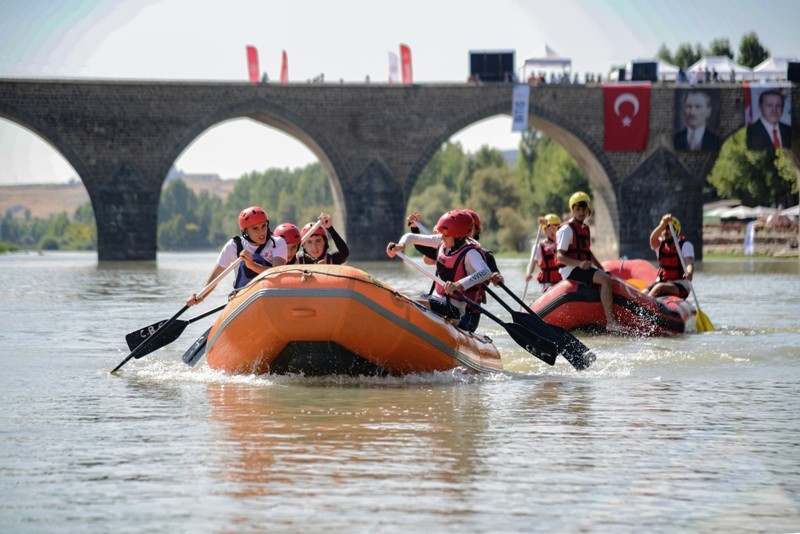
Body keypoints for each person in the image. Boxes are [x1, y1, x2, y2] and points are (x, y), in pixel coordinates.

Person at [386, 210, 491, 322]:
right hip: (434, 298)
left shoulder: (471, 253)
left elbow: (486, 272)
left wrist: (458, 285)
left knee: (412, 303)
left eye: (445, 235)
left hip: (454, 308)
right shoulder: (443, 240)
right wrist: (401, 246)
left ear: (458, 236)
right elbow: (411, 237)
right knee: (403, 300)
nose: (441, 238)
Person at [187, 206, 287, 306]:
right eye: (255, 228)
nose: (262, 232)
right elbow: (215, 277)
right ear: (245, 232)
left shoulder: (278, 243)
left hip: (270, 297)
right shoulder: (233, 246)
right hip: (243, 300)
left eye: (264, 226)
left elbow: (277, 272)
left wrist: (252, 266)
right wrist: (201, 296)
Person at [556, 192, 626, 333]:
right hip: (570, 269)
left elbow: (588, 252)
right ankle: (611, 322)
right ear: (572, 210)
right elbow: (560, 257)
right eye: (578, 209)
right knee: (605, 280)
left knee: (605, 275)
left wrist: (601, 268)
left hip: (579, 268)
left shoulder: (585, 228)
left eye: (584, 209)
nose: (581, 212)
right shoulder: (566, 230)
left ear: (589, 210)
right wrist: (579, 264)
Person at [644, 214, 694, 299]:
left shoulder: (685, 245)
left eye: (669, 229)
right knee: (643, 292)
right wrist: (663, 223)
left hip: (681, 285)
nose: (665, 231)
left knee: (660, 287)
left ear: (676, 231)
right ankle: (639, 306)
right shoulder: (659, 245)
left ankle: (645, 306)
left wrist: (689, 272)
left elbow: (689, 263)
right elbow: (652, 239)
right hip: (663, 281)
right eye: (664, 229)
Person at [525, 213, 563, 293]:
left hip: (562, 283)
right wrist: (528, 273)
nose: (554, 231)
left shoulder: (562, 245)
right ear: (545, 230)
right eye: (551, 229)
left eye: (556, 228)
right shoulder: (538, 247)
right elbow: (532, 264)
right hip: (547, 286)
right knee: (553, 289)